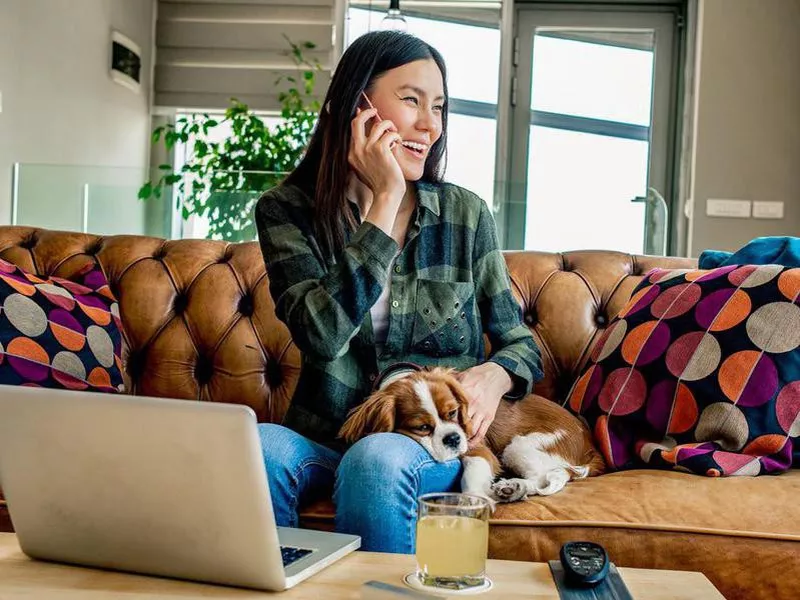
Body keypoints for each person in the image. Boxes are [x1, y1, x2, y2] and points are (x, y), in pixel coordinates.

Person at [254, 30, 543, 553]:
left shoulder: (465, 215)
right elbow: (322, 334)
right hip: (327, 432)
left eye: (438, 107)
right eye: (411, 100)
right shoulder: (287, 212)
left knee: (378, 457)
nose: (430, 125)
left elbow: (520, 344)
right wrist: (385, 202)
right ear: (355, 103)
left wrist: (495, 377)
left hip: (423, 444)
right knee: (259, 447)